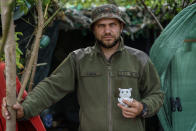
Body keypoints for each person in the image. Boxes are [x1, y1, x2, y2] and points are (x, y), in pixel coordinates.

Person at [2, 4, 164, 131]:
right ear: (93, 29)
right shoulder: (78, 59)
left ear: (121, 27)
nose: (107, 30)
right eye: (101, 25)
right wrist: (26, 109)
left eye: (112, 25)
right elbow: (50, 88)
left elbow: (156, 94)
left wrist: (142, 108)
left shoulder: (139, 59)